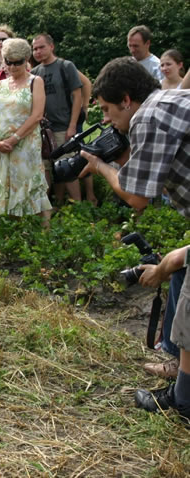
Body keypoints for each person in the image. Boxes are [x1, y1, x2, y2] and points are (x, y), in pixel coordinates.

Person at [78, 57, 190, 423]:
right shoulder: (172, 100)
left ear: (126, 100)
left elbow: (137, 198)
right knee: (181, 270)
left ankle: (184, 401)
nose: (106, 119)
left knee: (189, 304)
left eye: (106, 109)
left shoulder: (147, 117)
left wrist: (100, 166)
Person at [0, 39, 52, 220]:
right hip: (2, 147)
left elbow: (37, 115)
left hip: (26, 145)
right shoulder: (0, 85)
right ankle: (13, 230)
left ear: (26, 60)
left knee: (31, 186)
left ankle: (43, 232)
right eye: (9, 62)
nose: (13, 67)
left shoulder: (35, 81)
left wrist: (14, 138)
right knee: (6, 185)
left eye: (18, 62)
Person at [31, 33, 83, 204]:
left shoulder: (65, 66)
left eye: (41, 47)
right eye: (35, 49)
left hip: (63, 126)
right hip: (42, 130)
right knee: (46, 169)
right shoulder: (34, 73)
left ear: (51, 46)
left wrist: (72, 125)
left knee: (67, 167)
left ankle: (79, 207)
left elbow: (77, 95)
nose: (38, 52)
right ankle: (48, 207)